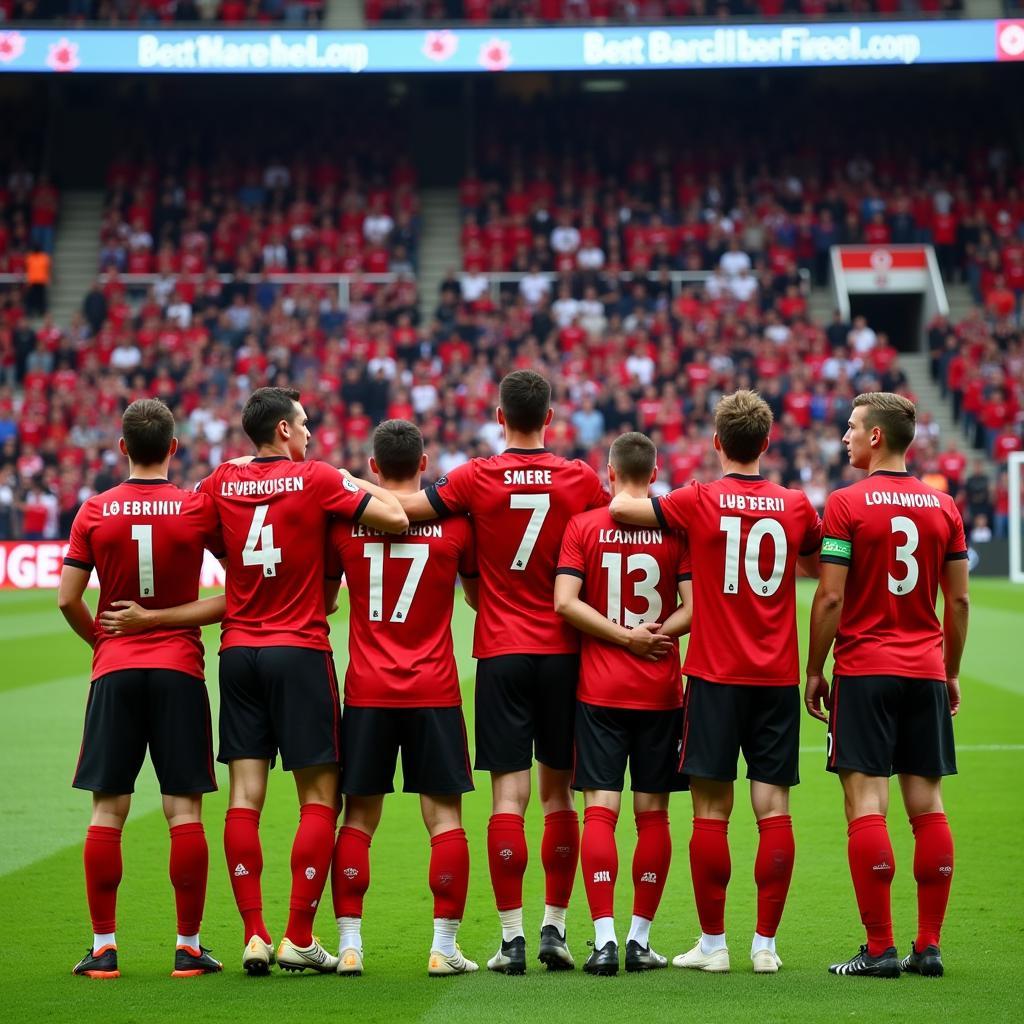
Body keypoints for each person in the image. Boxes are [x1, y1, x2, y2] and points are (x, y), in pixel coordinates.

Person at [101, 387, 408, 976]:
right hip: (298, 650)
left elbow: (190, 527)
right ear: (285, 432)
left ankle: (254, 936)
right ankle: (297, 934)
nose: (313, 434)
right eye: (306, 424)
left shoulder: (218, 484)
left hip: (238, 653)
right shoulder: (318, 477)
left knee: (245, 796)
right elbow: (394, 515)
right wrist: (348, 478)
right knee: (319, 797)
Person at [396, 369, 609, 975]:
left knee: (508, 798)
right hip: (567, 652)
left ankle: (511, 938)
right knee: (561, 794)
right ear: (550, 416)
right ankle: (556, 930)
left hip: (501, 651)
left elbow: (410, 508)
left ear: (499, 416)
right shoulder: (580, 478)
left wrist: (349, 482)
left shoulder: (473, 477)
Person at [609, 390, 822, 975]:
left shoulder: (696, 498)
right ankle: (766, 947)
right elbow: (818, 556)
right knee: (773, 808)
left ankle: (713, 945)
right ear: (768, 442)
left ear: (716, 443)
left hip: (713, 674)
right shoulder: (796, 504)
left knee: (710, 810)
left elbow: (627, 511)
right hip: (776, 676)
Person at [58, 399, 225, 980]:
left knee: (108, 809)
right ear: (174, 448)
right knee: (184, 812)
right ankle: (188, 946)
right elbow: (238, 595)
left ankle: (104, 948)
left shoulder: (95, 509)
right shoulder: (197, 507)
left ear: (122, 448)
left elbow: (67, 598)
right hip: (180, 668)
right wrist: (167, 621)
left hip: (116, 669)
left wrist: (104, 643)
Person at [805, 392, 969, 979]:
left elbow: (829, 596)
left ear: (877, 437)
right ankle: (929, 946)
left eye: (852, 428)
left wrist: (813, 669)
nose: (845, 437)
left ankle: (878, 949)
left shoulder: (846, 504)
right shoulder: (943, 506)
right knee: (928, 807)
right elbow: (960, 599)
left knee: (865, 804)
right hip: (924, 669)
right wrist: (949, 670)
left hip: (866, 670)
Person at [326, 420, 480, 977]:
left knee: (358, 820)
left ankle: (349, 946)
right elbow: (477, 597)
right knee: (444, 822)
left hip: (367, 689)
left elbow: (324, 601)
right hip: (434, 689)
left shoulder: (345, 523)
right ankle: (443, 947)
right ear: (425, 462)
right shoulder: (456, 525)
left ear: (372, 466)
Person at [554, 432, 693, 976]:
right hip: (660, 692)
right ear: (654, 476)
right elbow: (694, 609)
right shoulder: (674, 529)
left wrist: (618, 636)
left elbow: (565, 603)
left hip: (600, 691)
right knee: (653, 814)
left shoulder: (583, 526)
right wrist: (652, 635)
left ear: (609, 475)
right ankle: (639, 939)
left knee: (601, 812)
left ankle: (605, 940)